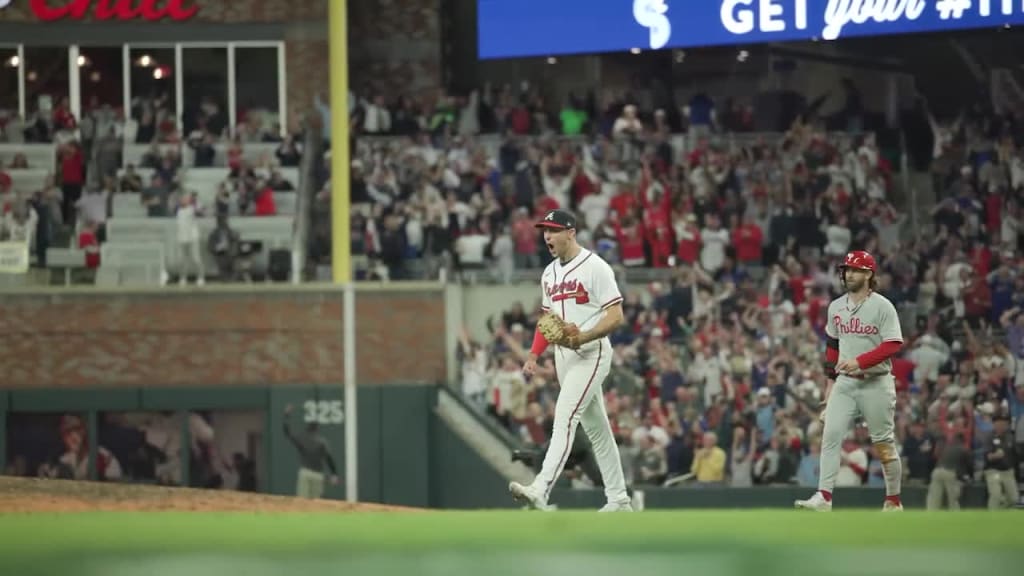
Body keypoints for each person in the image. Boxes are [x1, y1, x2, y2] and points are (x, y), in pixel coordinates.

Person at [508, 209, 632, 512]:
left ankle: (541, 489)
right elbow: (547, 320)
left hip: (592, 352)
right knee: (598, 431)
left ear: (571, 232)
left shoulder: (595, 267)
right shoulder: (549, 273)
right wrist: (534, 354)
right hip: (564, 356)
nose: (547, 236)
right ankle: (619, 500)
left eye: (553, 230)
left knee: (564, 416)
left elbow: (616, 316)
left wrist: (584, 336)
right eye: (544, 231)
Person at [796, 250, 905, 512]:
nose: (848, 274)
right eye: (846, 269)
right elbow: (832, 347)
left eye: (855, 269)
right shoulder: (835, 306)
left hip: (876, 382)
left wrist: (860, 361)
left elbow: (893, 344)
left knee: (883, 442)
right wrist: (829, 385)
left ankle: (893, 500)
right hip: (845, 382)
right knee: (830, 436)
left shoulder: (882, 305)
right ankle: (824, 496)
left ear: (869, 274)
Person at [283, 404, 340, 499]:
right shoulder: (322, 442)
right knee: (316, 503)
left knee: (302, 502)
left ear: (307, 428)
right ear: (317, 429)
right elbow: (329, 459)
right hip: (318, 475)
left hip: (305, 473)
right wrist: (334, 474)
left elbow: (287, 432)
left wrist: (286, 415)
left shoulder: (301, 438)